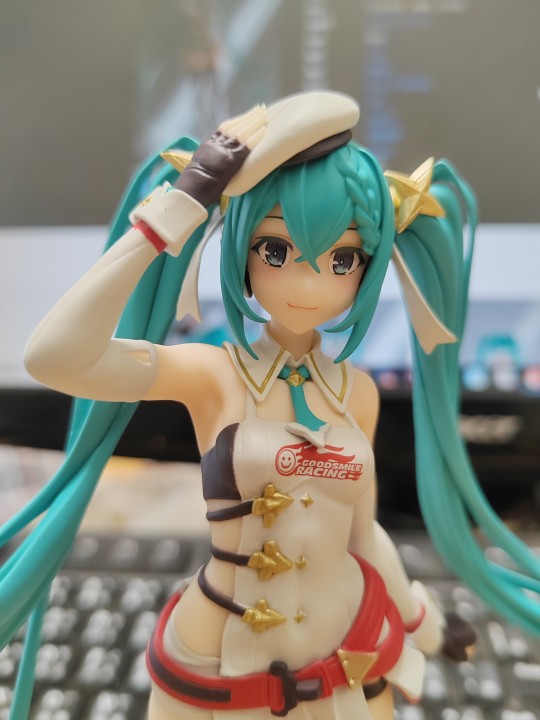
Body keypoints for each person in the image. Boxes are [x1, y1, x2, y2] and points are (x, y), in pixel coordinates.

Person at [2, 92, 539, 720]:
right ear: (242, 250)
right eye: (277, 251)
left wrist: (422, 620)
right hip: (219, 664)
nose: (309, 284)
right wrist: (179, 206)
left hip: (345, 658)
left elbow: (362, 534)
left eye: (342, 259)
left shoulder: (357, 393)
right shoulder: (213, 375)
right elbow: (57, 357)